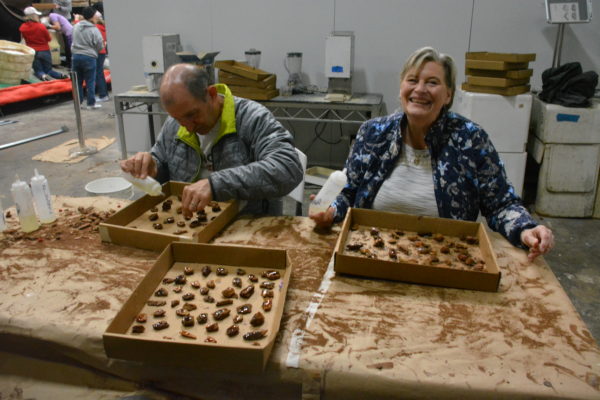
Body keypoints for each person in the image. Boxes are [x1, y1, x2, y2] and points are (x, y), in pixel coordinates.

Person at [310, 47, 554, 261]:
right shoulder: (373, 134)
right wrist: (331, 210)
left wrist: (526, 229)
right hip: (372, 252)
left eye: (432, 82)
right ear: (401, 88)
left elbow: (500, 203)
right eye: (412, 80)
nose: (420, 89)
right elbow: (349, 192)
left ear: (448, 95)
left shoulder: (470, 139)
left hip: (446, 259)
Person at [120, 63, 303, 217]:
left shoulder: (252, 118)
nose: (188, 127)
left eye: (193, 115)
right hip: (191, 223)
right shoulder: (175, 123)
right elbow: (162, 163)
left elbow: (288, 168)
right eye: (178, 119)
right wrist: (154, 168)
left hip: (245, 225)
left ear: (212, 94)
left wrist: (216, 184)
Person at [19, 6, 67, 81]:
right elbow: (49, 39)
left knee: (38, 71)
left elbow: (23, 38)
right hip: (45, 50)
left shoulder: (22, 27)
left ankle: (43, 77)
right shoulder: (41, 26)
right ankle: (62, 75)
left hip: (33, 51)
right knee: (49, 70)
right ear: (34, 16)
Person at [71, 6, 103, 109]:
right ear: (93, 16)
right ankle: (91, 103)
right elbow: (99, 44)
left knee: (77, 82)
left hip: (75, 56)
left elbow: (72, 39)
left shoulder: (76, 26)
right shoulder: (94, 29)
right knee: (90, 81)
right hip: (89, 57)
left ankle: (78, 103)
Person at [94, 11, 109, 102]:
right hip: (102, 51)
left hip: (97, 52)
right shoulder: (103, 27)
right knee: (100, 73)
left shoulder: (96, 28)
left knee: (98, 74)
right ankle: (104, 94)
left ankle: (103, 95)